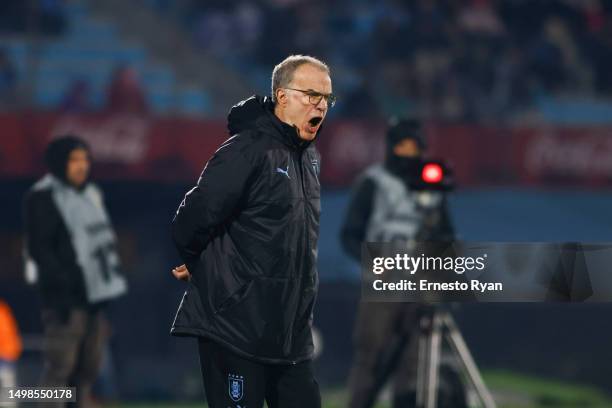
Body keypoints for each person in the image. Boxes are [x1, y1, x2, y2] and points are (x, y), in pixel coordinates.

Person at [170, 55, 333, 408]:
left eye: (326, 98)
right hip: (236, 329)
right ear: (282, 96)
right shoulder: (248, 149)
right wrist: (206, 267)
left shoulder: (309, 157)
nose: (320, 104)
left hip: (289, 333)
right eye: (311, 94)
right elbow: (191, 220)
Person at [341, 118, 465, 408]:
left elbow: (444, 234)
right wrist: (372, 262)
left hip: (419, 284)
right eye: (402, 146)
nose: (408, 154)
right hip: (382, 283)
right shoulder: (373, 182)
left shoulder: (431, 186)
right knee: (370, 357)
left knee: (413, 363)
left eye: (414, 147)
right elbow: (350, 234)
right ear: (390, 147)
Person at [23, 136, 127, 408]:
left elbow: (102, 245)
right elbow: (40, 249)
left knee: (88, 369)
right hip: (64, 301)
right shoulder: (43, 197)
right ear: (59, 163)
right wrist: (62, 289)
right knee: (60, 366)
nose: (82, 166)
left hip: (93, 299)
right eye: (74, 160)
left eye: (85, 160)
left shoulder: (91, 195)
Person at [0, 299, 22, 408]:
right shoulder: (2, 309)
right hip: (6, 360)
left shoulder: (2, 310)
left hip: (5, 360)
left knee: (7, 400)